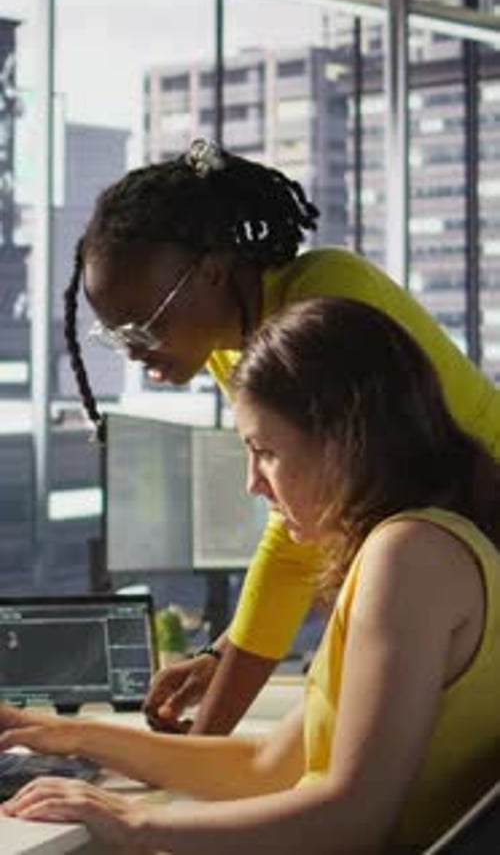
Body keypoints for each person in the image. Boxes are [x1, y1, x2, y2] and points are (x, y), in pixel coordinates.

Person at [1, 296, 500, 853]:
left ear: (343, 439)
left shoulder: (409, 557)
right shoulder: (417, 549)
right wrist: (67, 735)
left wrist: (134, 826)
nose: (252, 482)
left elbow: (353, 818)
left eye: (264, 451)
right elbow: (267, 766)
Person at [63, 137, 500, 735]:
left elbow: (299, 535)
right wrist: (224, 656)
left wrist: (204, 741)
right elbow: (301, 520)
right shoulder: (229, 345)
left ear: (213, 272)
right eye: (116, 336)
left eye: (144, 325)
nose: (135, 350)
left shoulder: (322, 304)